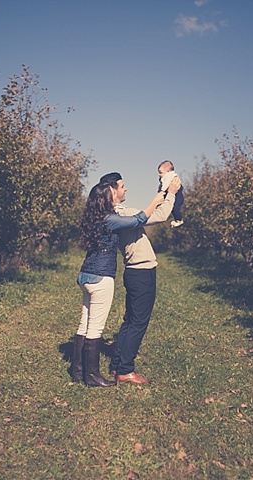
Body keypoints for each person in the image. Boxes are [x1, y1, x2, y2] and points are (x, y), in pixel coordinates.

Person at [71, 182, 166, 387]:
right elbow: (139, 219)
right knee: (95, 328)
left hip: (85, 274)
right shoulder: (110, 220)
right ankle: (93, 376)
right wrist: (157, 200)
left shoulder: (92, 218)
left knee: (84, 324)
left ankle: (78, 370)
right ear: (105, 198)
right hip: (100, 276)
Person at [99, 171, 182, 385]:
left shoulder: (117, 215)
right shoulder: (124, 214)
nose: (125, 189)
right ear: (113, 191)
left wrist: (162, 189)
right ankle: (126, 370)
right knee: (138, 323)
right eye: (122, 186)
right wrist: (171, 193)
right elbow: (161, 215)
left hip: (135, 271)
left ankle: (118, 365)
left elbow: (152, 209)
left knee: (130, 320)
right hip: (142, 272)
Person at [158, 160, 184, 228]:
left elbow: (166, 184)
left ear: (168, 171)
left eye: (161, 173)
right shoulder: (170, 175)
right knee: (172, 208)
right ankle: (177, 220)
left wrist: (162, 191)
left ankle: (179, 220)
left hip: (177, 196)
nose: (159, 174)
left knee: (174, 208)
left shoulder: (169, 176)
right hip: (177, 195)